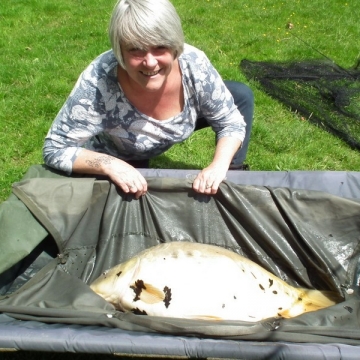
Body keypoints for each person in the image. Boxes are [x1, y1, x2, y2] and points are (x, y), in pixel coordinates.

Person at [43, 0, 253, 199]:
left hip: (172, 126)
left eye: (160, 47)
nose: (150, 63)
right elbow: (55, 148)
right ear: (120, 51)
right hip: (125, 152)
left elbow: (231, 122)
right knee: (135, 194)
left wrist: (219, 166)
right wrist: (109, 164)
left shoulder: (194, 63)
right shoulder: (97, 83)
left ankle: (233, 174)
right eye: (136, 49)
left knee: (239, 94)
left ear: (175, 46)